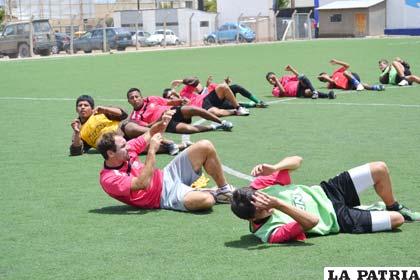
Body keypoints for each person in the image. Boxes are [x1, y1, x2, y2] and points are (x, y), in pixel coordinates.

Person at [231, 156, 420, 243]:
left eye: (263, 199)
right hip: (338, 219)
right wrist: (278, 204)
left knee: (379, 168)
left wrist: (274, 167)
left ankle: (393, 204)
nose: (267, 205)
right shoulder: (271, 233)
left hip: (328, 191)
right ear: (251, 218)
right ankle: (371, 210)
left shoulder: (260, 186)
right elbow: (313, 221)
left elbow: (297, 160)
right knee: (397, 219)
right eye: (263, 208)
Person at [97, 110, 236, 212]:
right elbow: (142, 184)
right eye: (123, 146)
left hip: (167, 174)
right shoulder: (109, 179)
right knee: (207, 201)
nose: (128, 146)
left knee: (205, 145)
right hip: (163, 196)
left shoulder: (128, 148)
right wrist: (152, 151)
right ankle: (209, 192)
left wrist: (163, 121)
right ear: (110, 153)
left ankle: (224, 190)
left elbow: (151, 133)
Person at [70, 95, 180, 156]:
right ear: (76, 109)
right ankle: (176, 146)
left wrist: (105, 109)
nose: (83, 107)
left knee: (129, 127)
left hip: (123, 130)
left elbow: (122, 114)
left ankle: (166, 141)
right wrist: (76, 132)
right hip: (115, 144)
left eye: (86, 105)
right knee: (135, 148)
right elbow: (76, 151)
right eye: (80, 105)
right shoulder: (79, 128)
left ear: (92, 107)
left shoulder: (99, 113)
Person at [126, 87, 233, 134]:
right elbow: (147, 127)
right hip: (164, 123)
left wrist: (180, 100)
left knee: (195, 109)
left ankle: (221, 122)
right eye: (132, 98)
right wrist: (160, 119)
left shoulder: (151, 99)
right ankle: (214, 127)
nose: (135, 99)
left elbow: (168, 102)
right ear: (129, 101)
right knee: (189, 129)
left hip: (172, 111)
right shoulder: (134, 117)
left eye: (137, 96)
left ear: (141, 96)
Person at [171, 77, 251, 117]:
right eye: (170, 97)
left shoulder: (184, 92)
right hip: (203, 108)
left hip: (206, 99)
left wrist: (181, 81)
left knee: (223, 86)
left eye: (172, 94)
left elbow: (195, 81)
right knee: (215, 113)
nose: (172, 96)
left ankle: (238, 107)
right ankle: (236, 111)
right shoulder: (176, 105)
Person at [266, 65, 336, 99]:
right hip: (297, 92)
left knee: (302, 76)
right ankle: (328, 95)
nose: (272, 80)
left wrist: (291, 69)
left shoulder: (285, 78)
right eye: (270, 79)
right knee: (308, 92)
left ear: (276, 76)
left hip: (300, 85)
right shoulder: (274, 90)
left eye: (272, 77)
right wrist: (277, 81)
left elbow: (298, 76)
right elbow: (283, 92)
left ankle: (315, 92)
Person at [318, 59, 385, 91]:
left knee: (346, 72)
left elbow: (347, 65)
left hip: (352, 78)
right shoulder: (330, 85)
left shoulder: (336, 73)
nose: (324, 78)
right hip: (349, 86)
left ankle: (360, 85)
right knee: (363, 85)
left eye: (324, 76)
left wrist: (337, 62)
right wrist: (325, 78)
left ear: (326, 73)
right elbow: (332, 81)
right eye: (323, 79)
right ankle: (374, 87)